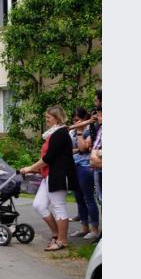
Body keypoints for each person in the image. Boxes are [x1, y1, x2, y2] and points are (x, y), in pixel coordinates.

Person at [20, 105, 79, 252]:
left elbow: (48, 158)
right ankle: (56, 234)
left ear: (57, 118)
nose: (46, 120)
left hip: (58, 175)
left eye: (48, 118)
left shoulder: (60, 133)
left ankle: (62, 241)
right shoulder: (53, 133)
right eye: (46, 117)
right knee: (39, 204)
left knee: (59, 207)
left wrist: (30, 168)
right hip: (49, 175)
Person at [69, 108, 100, 240]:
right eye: (74, 120)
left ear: (84, 119)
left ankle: (94, 229)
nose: (75, 122)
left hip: (85, 166)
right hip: (74, 166)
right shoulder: (72, 131)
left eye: (78, 120)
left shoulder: (89, 130)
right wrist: (77, 150)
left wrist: (80, 132)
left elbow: (83, 148)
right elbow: (69, 149)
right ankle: (84, 228)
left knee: (88, 198)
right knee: (79, 198)